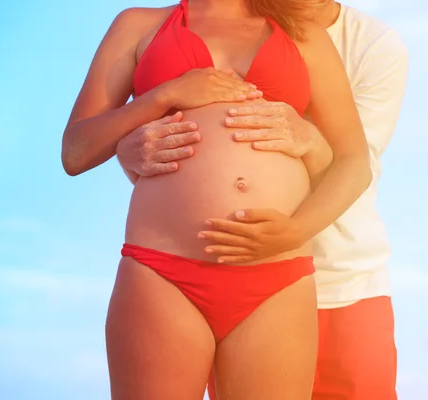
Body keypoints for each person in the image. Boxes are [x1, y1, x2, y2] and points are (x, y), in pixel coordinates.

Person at [61, 0, 373, 399]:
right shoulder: (137, 25)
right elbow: (76, 151)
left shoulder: (301, 31)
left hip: (277, 278)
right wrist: (163, 95)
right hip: (162, 273)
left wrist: (296, 230)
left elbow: (353, 163)